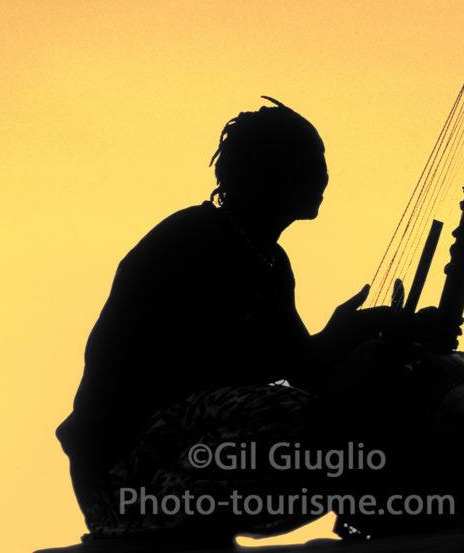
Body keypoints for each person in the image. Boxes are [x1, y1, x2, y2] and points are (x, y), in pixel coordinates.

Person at [56, 97, 386, 542]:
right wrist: (343, 338)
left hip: (175, 454)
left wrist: (364, 341)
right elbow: (257, 367)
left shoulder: (267, 259)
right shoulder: (193, 240)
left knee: (349, 434)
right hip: (123, 475)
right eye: (310, 162)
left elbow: (298, 366)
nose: (324, 177)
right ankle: (174, 530)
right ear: (268, 173)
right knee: (291, 416)